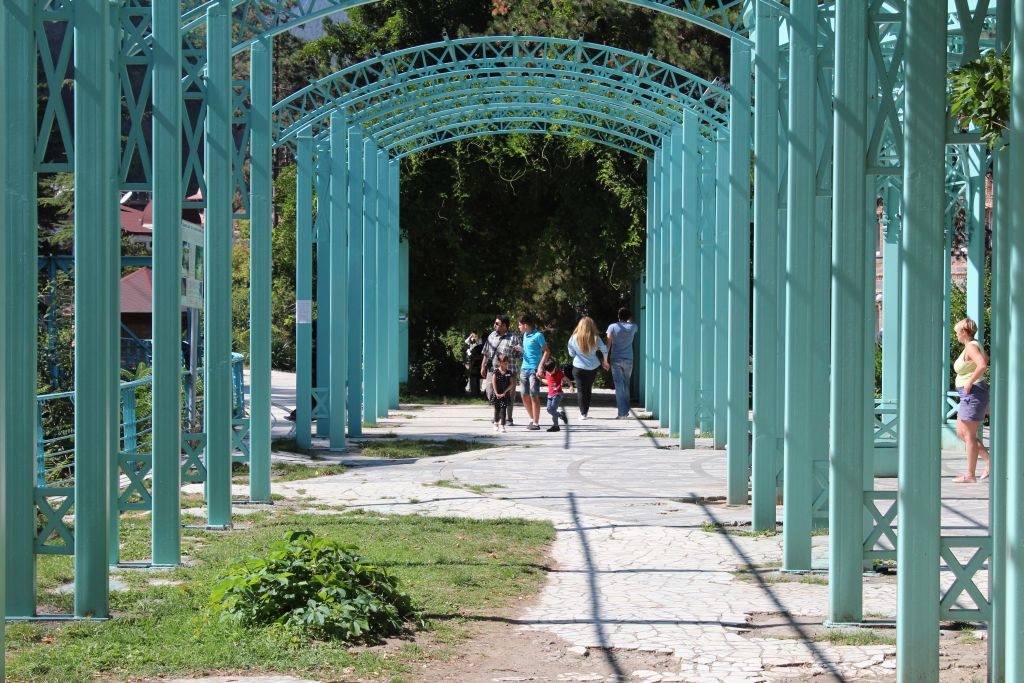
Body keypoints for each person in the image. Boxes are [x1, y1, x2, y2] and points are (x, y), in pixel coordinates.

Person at [952, 317, 990, 483]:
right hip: (969, 393)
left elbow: (982, 364)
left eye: (957, 332)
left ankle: (970, 474)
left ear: (964, 332)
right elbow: (986, 358)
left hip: (973, 392)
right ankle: (989, 461)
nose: (956, 336)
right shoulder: (972, 345)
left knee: (968, 434)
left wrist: (969, 381)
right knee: (961, 433)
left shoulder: (971, 346)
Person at [481, 315, 521, 425]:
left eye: (497, 323)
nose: (495, 325)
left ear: (504, 326)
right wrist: (482, 366)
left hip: (509, 371)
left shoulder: (514, 337)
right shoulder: (492, 335)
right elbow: (486, 352)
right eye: (495, 323)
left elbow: (520, 354)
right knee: (490, 391)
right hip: (493, 370)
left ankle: (508, 418)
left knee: (508, 395)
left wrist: (519, 350)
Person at [567, 316, 608, 420]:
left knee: (580, 390)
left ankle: (582, 413)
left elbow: (571, 354)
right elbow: (604, 350)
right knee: (588, 389)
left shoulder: (573, 337)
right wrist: (605, 361)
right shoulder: (595, 337)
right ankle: (586, 411)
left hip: (578, 367)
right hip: (592, 367)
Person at [516, 314, 550, 431]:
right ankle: (532, 419)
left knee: (533, 395)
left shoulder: (538, 335)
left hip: (535, 370)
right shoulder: (525, 335)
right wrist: (521, 350)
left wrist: (541, 366)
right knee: (524, 395)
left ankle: (536, 423)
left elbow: (546, 352)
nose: (519, 327)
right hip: (524, 369)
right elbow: (528, 351)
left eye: (520, 325)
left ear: (525, 325)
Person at [606, 307, 638, 419]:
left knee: (619, 386)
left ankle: (622, 413)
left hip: (615, 358)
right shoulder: (633, 327)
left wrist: (605, 358)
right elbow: (632, 322)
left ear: (618, 316)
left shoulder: (612, 327)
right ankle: (626, 411)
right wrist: (629, 320)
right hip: (629, 358)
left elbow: (608, 343)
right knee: (626, 384)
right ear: (628, 317)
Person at [490, 354, 514, 433]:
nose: (506, 365)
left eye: (507, 363)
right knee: (497, 409)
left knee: (503, 410)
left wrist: (505, 392)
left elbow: (512, 384)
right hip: (497, 394)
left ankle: (503, 425)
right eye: (504, 363)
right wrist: (496, 393)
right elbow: (493, 383)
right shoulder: (496, 372)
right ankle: (496, 423)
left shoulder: (509, 372)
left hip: (505, 395)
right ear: (499, 362)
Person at [543, 359, 568, 432]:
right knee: (549, 410)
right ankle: (561, 415)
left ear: (554, 367)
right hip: (550, 395)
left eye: (551, 371)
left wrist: (570, 386)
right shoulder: (547, 372)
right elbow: (548, 382)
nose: (550, 373)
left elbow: (566, 379)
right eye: (548, 371)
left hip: (558, 394)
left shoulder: (559, 373)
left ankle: (556, 426)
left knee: (553, 410)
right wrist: (540, 379)